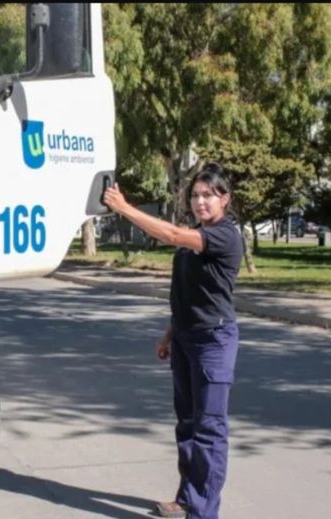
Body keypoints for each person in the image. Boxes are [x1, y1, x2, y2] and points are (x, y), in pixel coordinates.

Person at [103, 162, 242, 519]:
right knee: (187, 424)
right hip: (185, 338)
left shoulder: (225, 235)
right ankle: (187, 498)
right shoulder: (199, 233)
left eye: (207, 196)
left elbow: (173, 236)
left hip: (213, 341)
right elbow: (189, 293)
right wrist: (170, 334)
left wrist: (124, 207)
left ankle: (203, 512)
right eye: (195, 196)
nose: (200, 202)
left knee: (209, 431)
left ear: (224, 199)